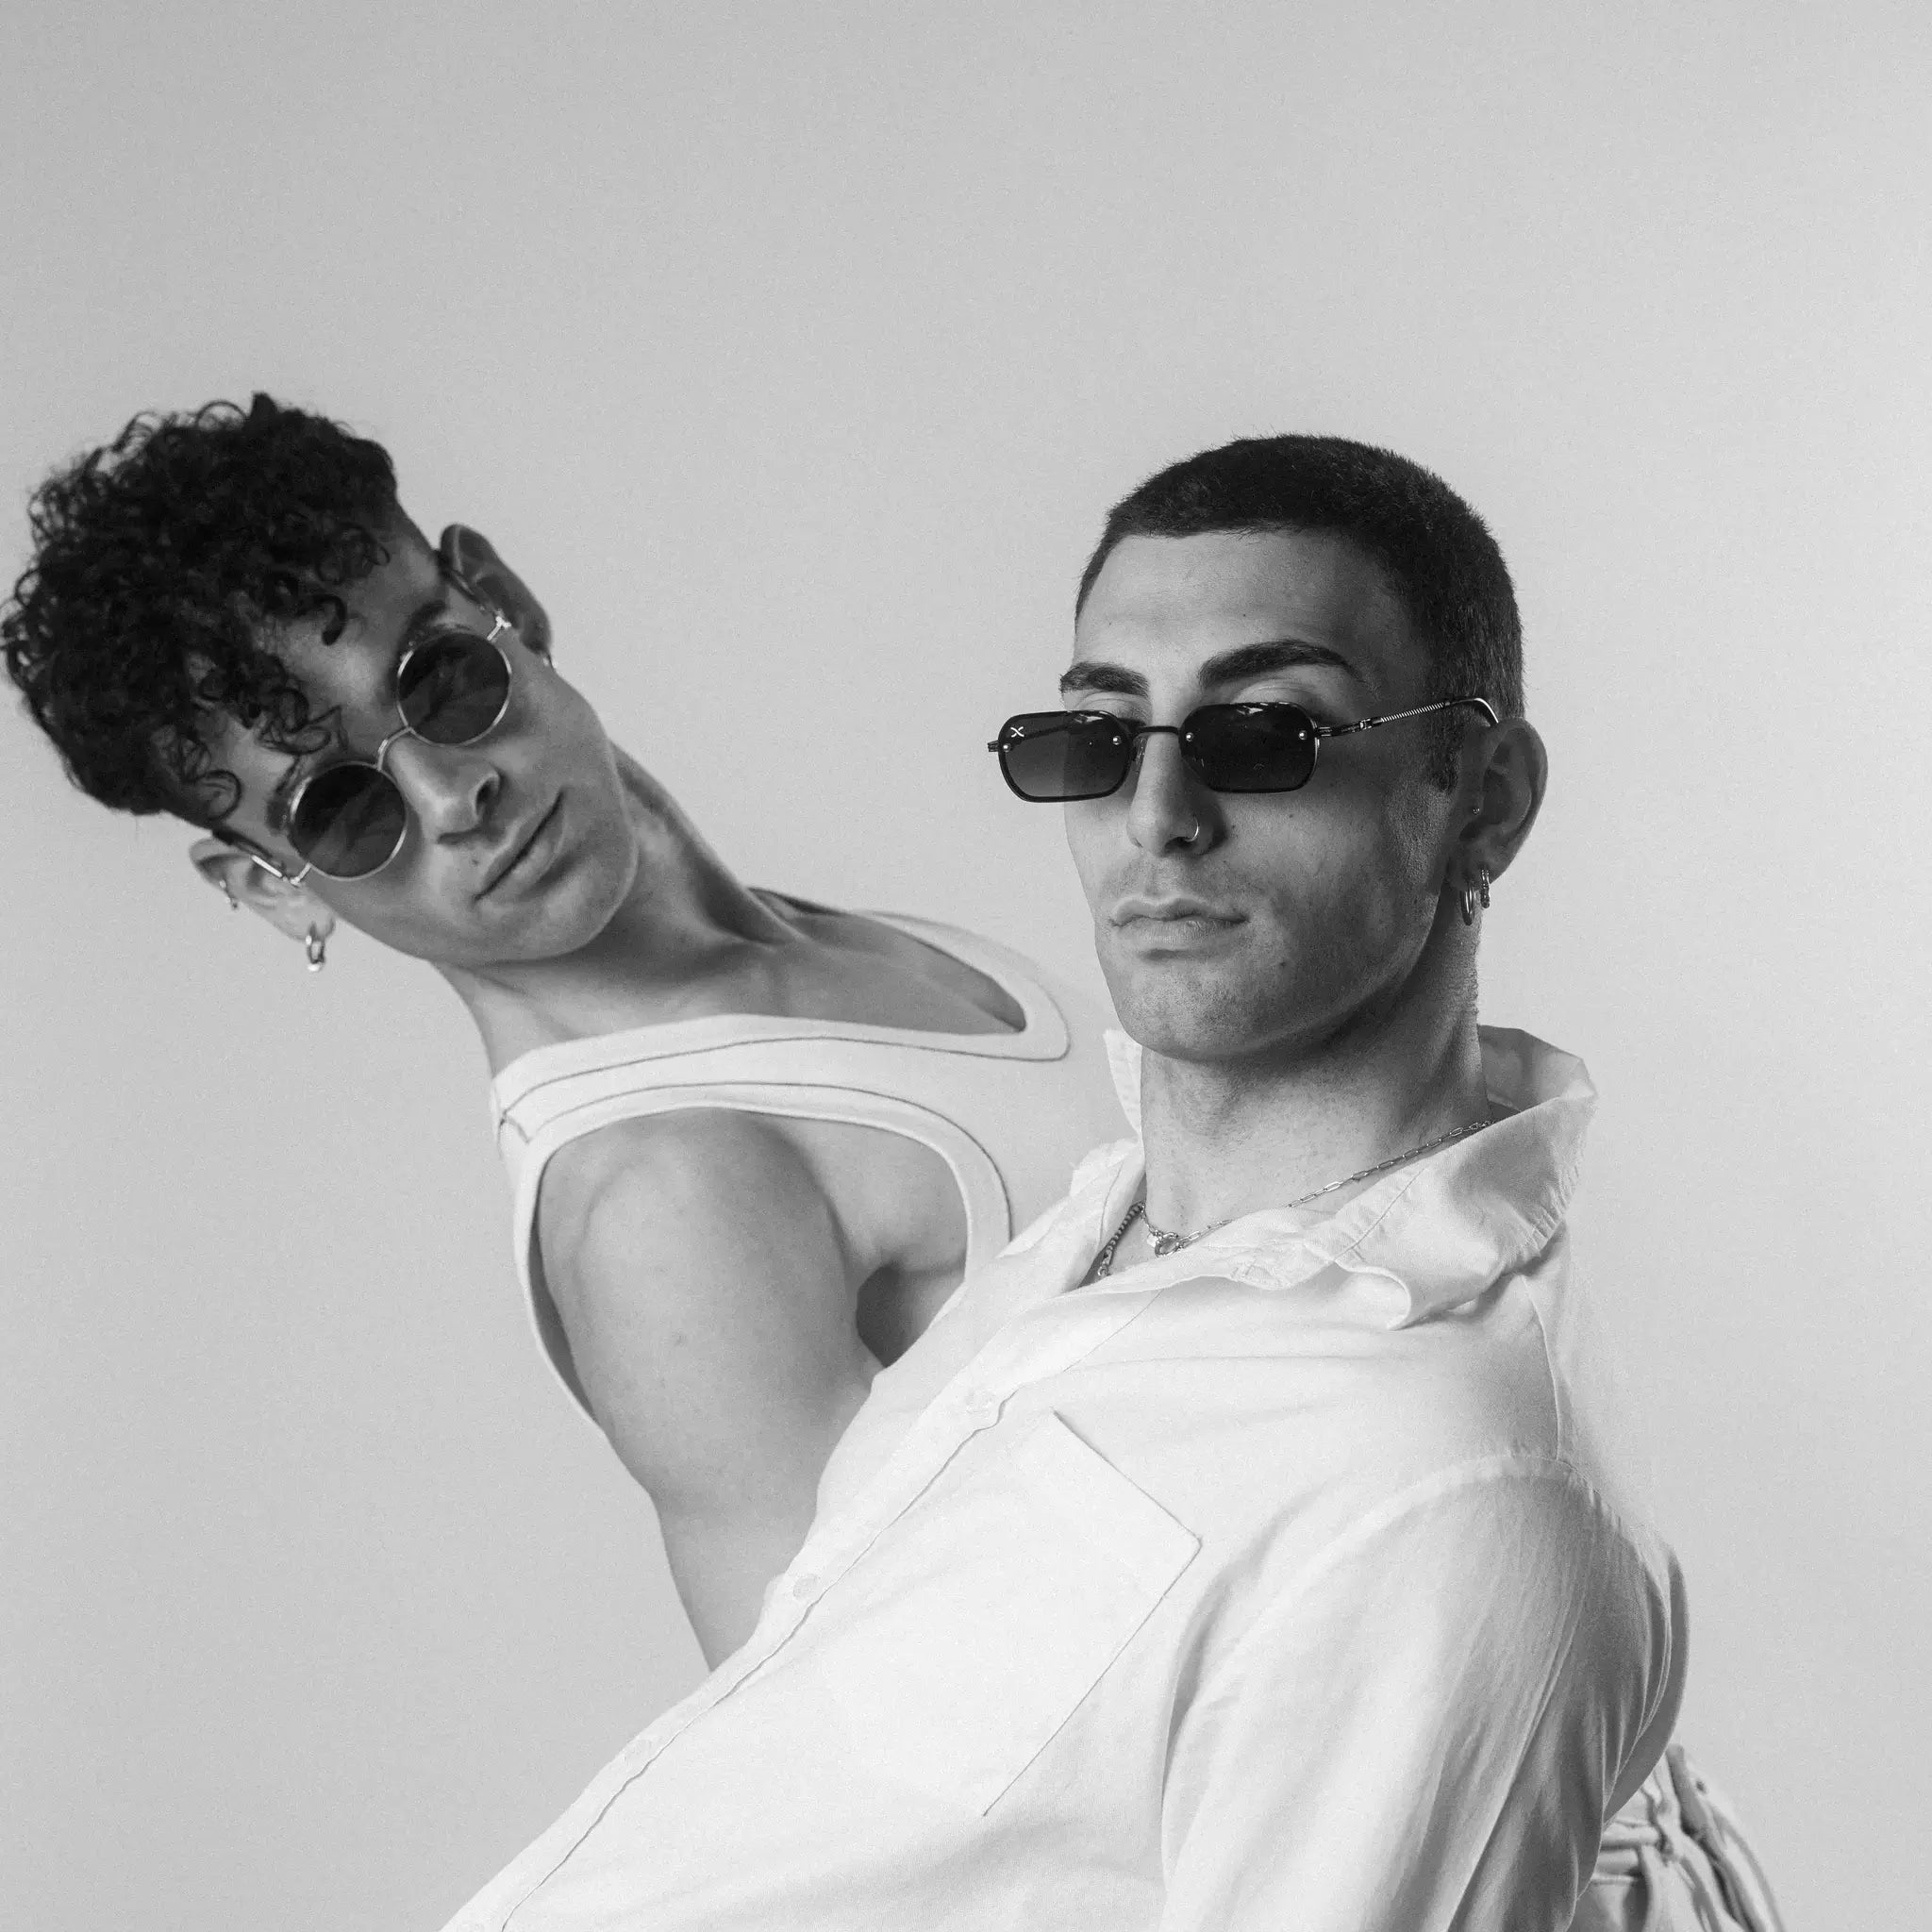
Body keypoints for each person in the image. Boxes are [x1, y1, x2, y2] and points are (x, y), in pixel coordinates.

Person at [434, 435, 1785, 1931]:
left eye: (1267, 731)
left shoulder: (1442, 1494)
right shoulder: (1097, 1232)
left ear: (1482, 796)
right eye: (1095, 740)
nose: (1157, 819)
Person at [1, 395, 1126, 1665]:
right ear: (272, 886)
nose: (453, 795)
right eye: (340, 810)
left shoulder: (855, 947)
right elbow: (881, 1749)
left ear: (505, 600)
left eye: (441, 680)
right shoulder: (662, 1194)